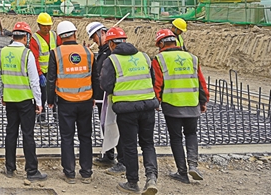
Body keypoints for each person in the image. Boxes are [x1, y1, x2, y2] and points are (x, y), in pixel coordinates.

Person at [100, 27, 159, 195]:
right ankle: (151, 177)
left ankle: (133, 182)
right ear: (125, 40)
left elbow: (106, 85)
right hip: (148, 106)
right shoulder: (144, 56)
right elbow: (152, 79)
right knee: (148, 143)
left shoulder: (112, 60)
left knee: (130, 145)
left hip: (126, 110)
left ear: (111, 44)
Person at [151, 29, 209, 185]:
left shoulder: (160, 59)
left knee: (176, 138)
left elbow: (157, 83)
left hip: (172, 105)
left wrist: (156, 101)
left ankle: (182, 172)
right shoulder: (192, 57)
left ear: (161, 44)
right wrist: (203, 101)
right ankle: (193, 165)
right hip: (192, 103)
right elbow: (201, 82)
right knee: (191, 134)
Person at [47, 21, 96, 184]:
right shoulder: (88, 52)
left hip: (65, 101)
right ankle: (86, 173)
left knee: (67, 137)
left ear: (60, 37)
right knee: (85, 137)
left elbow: (51, 79)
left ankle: (69, 173)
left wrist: (50, 100)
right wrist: (94, 97)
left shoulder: (56, 53)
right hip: (86, 101)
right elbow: (94, 77)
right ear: (75, 34)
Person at [0, 21, 47, 181]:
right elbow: (34, 81)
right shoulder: (27, 54)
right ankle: (31, 171)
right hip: (25, 101)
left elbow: (0, 77)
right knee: (28, 135)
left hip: (10, 100)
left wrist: (2, 95)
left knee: (11, 133)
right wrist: (38, 102)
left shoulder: (2, 52)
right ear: (26, 37)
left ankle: (10, 167)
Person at [86, 21, 124, 173]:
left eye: (94, 37)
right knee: (106, 126)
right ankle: (109, 155)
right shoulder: (103, 52)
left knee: (115, 127)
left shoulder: (111, 53)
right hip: (102, 98)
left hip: (112, 97)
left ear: (102, 33)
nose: (94, 40)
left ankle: (122, 161)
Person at [35, 12, 56, 121]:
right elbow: (34, 58)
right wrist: (39, 74)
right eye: (44, 26)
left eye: (49, 25)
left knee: (55, 95)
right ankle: (41, 118)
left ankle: (57, 117)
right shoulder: (35, 38)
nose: (47, 28)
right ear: (39, 25)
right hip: (42, 72)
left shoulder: (54, 35)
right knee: (42, 96)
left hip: (53, 72)